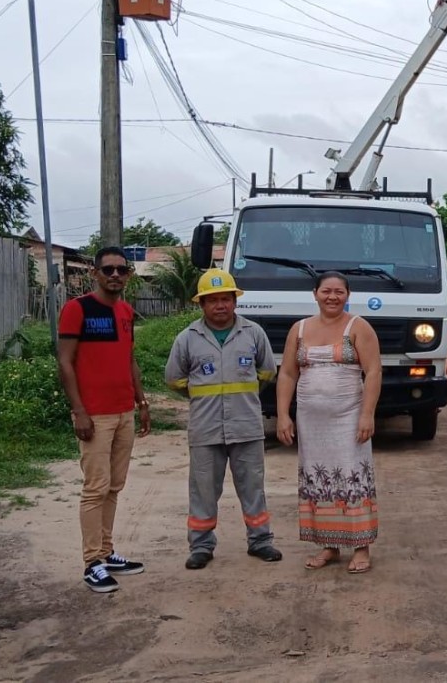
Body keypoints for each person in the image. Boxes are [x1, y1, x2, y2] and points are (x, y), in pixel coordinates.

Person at [164, 270, 282, 570]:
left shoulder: (253, 333)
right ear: (201, 305)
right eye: (213, 300)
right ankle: (201, 546)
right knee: (203, 490)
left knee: (253, 487)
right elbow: (174, 379)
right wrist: (202, 398)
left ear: (235, 301)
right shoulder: (188, 338)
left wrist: (240, 396)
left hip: (246, 426)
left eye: (226, 299)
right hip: (205, 429)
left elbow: (267, 373)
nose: (220, 306)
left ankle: (260, 541)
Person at [57, 247, 152, 593]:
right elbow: (65, 363)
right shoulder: (76, 309)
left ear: (128, 275)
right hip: (94, 415)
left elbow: (129, 360)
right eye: (108, 269)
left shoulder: (126, 311)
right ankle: (91, 563)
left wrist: (141, 401)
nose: (115, 275)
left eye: (121, 270)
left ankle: (107, 552)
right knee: (95, 488)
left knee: (114, 486)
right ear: (94, 273)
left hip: (123, 410)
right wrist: (79, 411)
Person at [275, 272, 383, 574]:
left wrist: (367, 413)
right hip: (311, 420)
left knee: (352, 476)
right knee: (317, 478)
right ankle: (328, 545)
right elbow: (287, 373)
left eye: (338, 292)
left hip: (348, 417)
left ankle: (361, 547)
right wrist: (284, 414)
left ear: (348, 295)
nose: (332, 297)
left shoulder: (358, 327)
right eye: (326, 291)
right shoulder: (299, 329)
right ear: (315, 294)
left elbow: (373, 372)